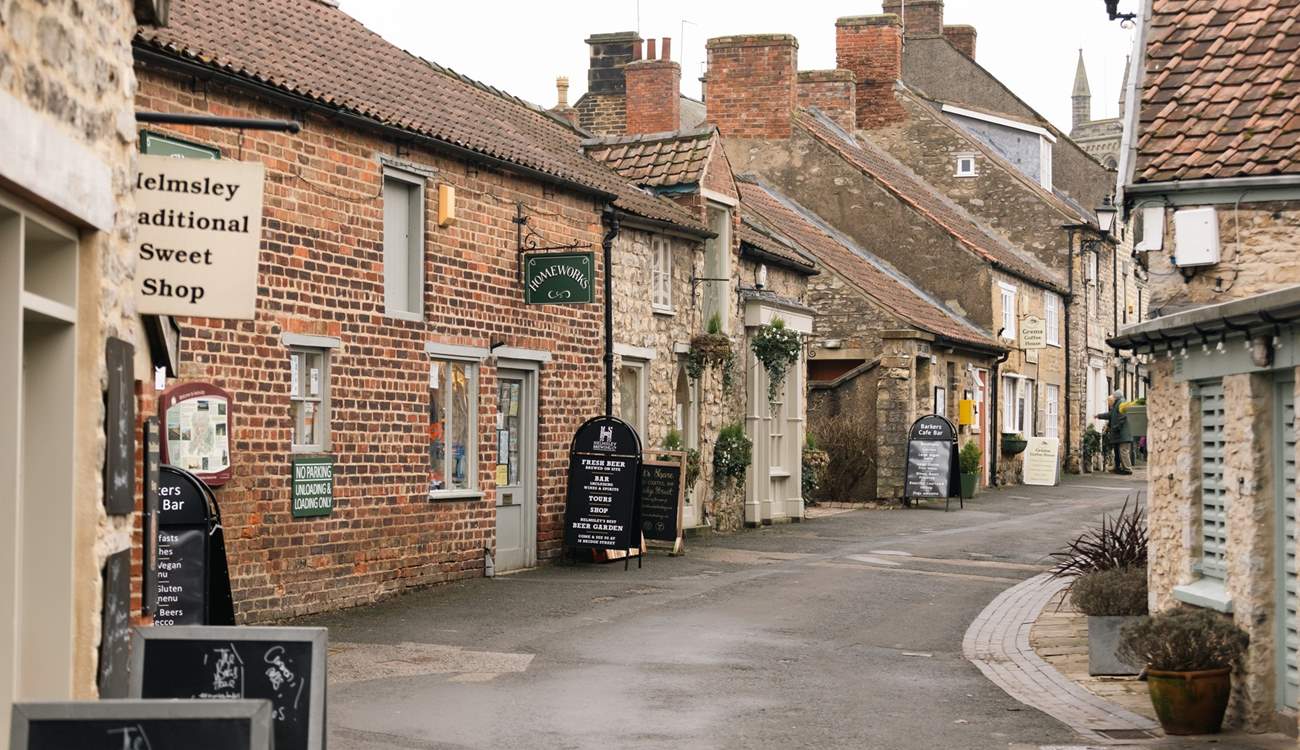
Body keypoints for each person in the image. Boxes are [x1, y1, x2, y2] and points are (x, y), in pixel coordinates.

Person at [1096, 389, 1133, 475]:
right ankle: (1119, 468)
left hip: (1123, 434)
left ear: (1116, 397)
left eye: (1113, 397)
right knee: (1119, 451)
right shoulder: (1118, 404)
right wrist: (1099, 416)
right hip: (1120, 434)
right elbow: (1111, 415)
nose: (1110, 401)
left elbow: (1123, 417)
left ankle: (1128, 469)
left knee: (1123, 451)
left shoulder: (1121, 403)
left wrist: (1116, 427)